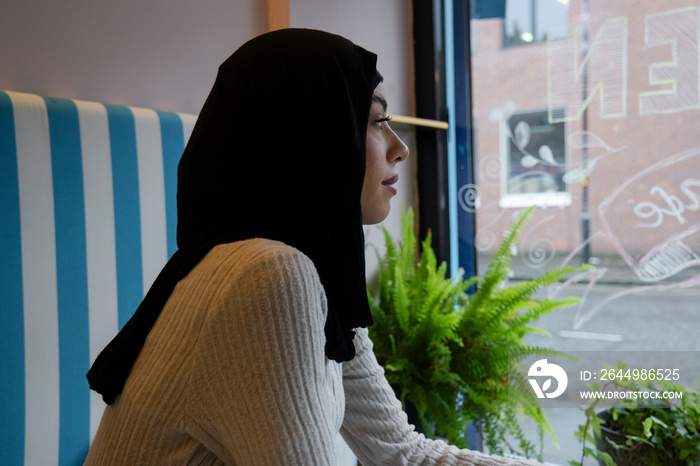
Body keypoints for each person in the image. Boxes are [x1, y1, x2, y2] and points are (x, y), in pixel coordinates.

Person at [84, 28, 540, 465]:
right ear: (309, 134)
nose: (400, 147)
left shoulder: (308, 273)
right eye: (378, 121)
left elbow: (402, 453)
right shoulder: (269, 276)